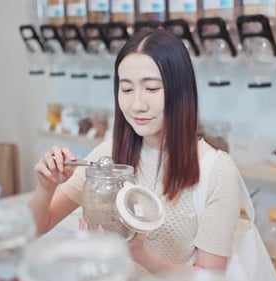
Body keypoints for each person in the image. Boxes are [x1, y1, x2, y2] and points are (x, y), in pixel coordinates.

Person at [29, 28, 243, 276]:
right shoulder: (109, 154)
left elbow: (212, 276)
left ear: (180, 91)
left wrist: (141, 256)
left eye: (151, 89)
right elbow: (37, 226)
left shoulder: (217, 170)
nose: (137, 105)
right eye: (127, 89)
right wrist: (46, 187)